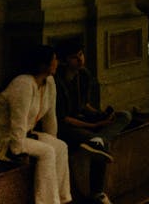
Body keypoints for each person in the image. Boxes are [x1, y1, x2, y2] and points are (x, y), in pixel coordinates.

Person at [54, 40, 131, 204]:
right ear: (64, 60)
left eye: (81, 55)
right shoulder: (57, 81)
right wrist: (94, 126)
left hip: (83, 120)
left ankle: (98, 139)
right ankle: (97, 192)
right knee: (101, 146)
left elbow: (84, 106)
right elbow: (63, 118)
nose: (80, 60)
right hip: (65, 127)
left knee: (124, 116)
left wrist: (101, 115)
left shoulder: (84, 75)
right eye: (74, 57)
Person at [0, 45, 71, 204]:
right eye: (54, 59)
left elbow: (50, 119)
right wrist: (17, 152)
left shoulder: (49, 82)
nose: (57, 62)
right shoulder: (23, 84)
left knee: (60, 147)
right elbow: (18, 122)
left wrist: (52, 139)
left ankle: (63, 199)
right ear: (43, 64)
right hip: (5, 139)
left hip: (25, 134)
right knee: (47, 152)